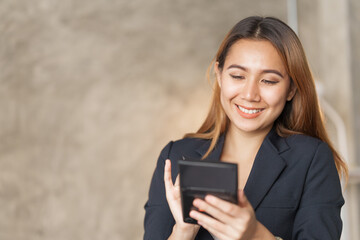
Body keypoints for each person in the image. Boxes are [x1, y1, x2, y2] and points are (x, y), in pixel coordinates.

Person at [143, 16, 348, 240]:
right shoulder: (177, 156)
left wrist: (255, 235)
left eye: (269, 81)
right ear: (220, 75)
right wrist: (183, 230)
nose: (250, 95)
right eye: (238, 76)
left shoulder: (310, 159)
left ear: (291, 89)